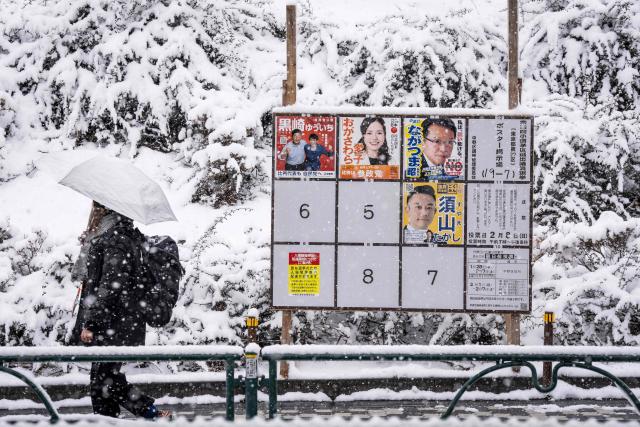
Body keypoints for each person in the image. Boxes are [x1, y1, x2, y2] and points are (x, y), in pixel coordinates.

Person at [69, 201, 171, 420]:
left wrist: (92, 323)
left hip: (113, 324)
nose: (93, 213)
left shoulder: (116, 240)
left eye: (97, 208)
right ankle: (117, 419)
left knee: (105, 380)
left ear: (107, 210)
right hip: (121, 322)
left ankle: (151, 414)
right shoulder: (122, 236)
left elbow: (110, 287)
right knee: (104, 380)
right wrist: (92, 244)